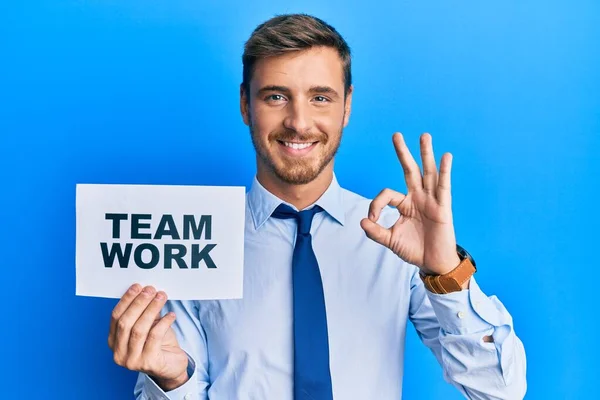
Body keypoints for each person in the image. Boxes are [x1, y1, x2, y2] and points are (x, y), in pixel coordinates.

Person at [107, 14, 527, 400]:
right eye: (275, 96)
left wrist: (444, 271)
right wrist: (172, 381)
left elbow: (500, 391)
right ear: (244, 105)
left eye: (320, 98)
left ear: (347, 106)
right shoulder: (196, 238)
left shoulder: (397, 242)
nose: (299, 122)